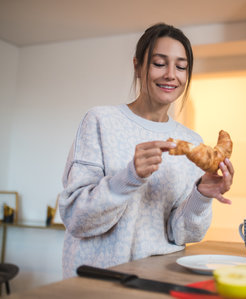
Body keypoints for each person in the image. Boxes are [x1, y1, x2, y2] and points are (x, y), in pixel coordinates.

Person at [59, 23, 235, 278]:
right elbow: (76, 219)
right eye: (159, 63)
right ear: (138, 66)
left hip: (158, 280)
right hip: (98, 281)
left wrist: (201, 195)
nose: (171, 75)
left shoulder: (190, 141)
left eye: (181, 66)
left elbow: (182, 234)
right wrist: (128, 177)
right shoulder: (100, 121)